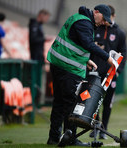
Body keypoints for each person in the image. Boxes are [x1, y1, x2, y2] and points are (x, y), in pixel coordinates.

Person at [46, 4, 114, 146]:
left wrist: (85, 60)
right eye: (103, 18)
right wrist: (107, 57)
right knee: (70, 104)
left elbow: (74, 43)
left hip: (59, 64)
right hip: (68, 68)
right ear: (96, 12)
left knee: (59, 102)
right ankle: (70, 139)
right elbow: (88, 43)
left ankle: (54, 138)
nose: (103, 22)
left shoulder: (79, 19)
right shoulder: (84, 23)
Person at [89, 5, 127, 139]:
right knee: (94, 100)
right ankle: (95, 128)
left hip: (111, 74)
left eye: (109, 17)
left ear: (113, 16)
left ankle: (104, 129)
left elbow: (124, 53)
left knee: (107, 103)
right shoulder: (96, 28)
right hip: (96, 72)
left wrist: (118, 71)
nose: (106, 21)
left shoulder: (119, 33)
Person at [28, 9, 51, 104]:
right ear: (41, 15)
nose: (47, 20)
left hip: (39, 56)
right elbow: (33, 39)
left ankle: (38, 101)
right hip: (36, 57)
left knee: (39, 80)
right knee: (36, 80)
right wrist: (44, 39)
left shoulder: (39, 26)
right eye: (46, 17)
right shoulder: (34, 25)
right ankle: (35, 102)